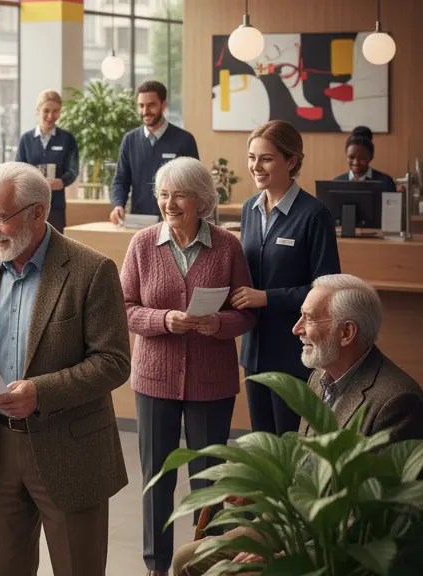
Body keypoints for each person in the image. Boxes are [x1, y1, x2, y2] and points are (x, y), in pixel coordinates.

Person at [172, 274, 423, 576]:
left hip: (331, 548)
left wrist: (289, 554)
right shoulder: (320, 376)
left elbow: (375, 519)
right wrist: (266, 490)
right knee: (187, 558)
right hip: (293, 523)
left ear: (346, 333)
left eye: (308, 319)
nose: (296, 329)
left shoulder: (397, 401)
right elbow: (306, 465)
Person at [0, 162, 132, 576]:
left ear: (38, 213)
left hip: (71, 449)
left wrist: (40, 391)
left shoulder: (92, 270)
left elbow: (114, 362)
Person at [119, 157, 256, 576]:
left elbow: (247, 315)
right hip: (154, 379)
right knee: (156, 479)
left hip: (211, 382)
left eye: (179, 195)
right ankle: (157, 566)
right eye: (163, 194)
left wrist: (217, 323)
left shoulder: (227, 246)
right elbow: (123, 309)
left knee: (208, 480)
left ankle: (204, 562)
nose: (169, 203)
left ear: (201, 200)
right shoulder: (142, 244)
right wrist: (163, 320)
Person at [235, 120, 341, 435]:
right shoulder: (249, 209)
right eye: (252, 157)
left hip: (294, 352)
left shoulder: (314, 215)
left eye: (266, 158)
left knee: (292, 448)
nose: (256, 166)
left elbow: (326, 289)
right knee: (265, 448)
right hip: (254, 350)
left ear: (291, 161)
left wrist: (267, 297)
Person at [111, 81, 199, 225]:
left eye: (151, 105)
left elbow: (194, 184)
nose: (145, 111)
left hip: (175, 221)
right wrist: (117, 205)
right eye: (141, 106)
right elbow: (121, 180)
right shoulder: (130, 140)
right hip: (139, 222)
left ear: (164, 105)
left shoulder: (184, 140)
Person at [14, 89, 79, 233]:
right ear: (38, 111)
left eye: (55, 111)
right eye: (46, 110)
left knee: (56, 248)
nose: (50, 116)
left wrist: (61, 182)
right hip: (29, 205)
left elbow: (73, 170)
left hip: (55, 204)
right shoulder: (26, 139)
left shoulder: (67, 139)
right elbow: (18, 169)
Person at [334, 125, 397, 190]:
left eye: (361, 158)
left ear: (371, 157)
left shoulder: (385, 182)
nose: (356, 162)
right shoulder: (337, 182)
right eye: (351, 157)